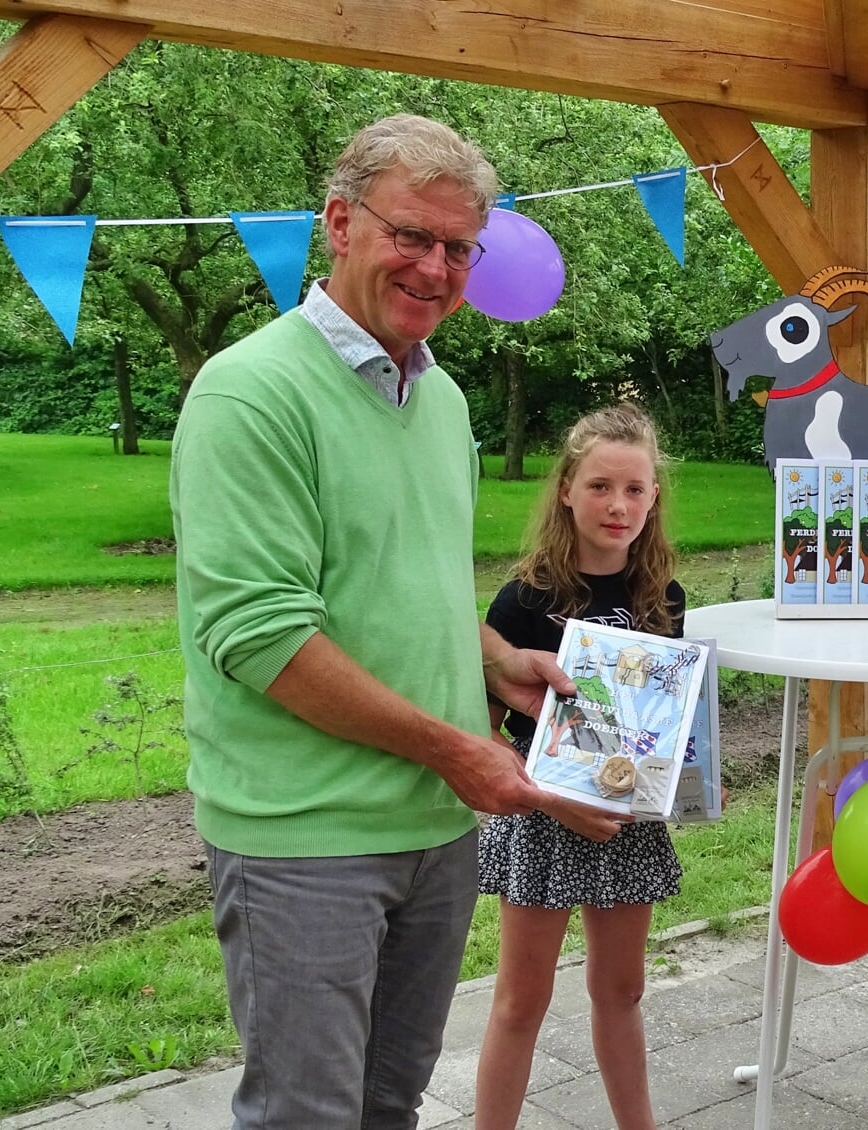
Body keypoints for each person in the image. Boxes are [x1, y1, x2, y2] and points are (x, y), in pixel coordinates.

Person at [170, 114, 570, 1128]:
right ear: (340, 222)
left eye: (458, 247)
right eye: (411, 235)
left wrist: (492, 659)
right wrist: (457, 749)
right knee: (307, 1112)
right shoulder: (251, 392)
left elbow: (405, 579)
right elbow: (263, 636)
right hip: (305, 835)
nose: (435, 268)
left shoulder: (441, 398)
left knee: (387, 1103)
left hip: (433, 826)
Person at [472, 404, 689, 1130]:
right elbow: (485, 731)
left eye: (634, 489)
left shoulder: (664, 598)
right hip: (539, 821)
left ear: (655, 496)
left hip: (627, 824)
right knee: (519, 1000)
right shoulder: (524, 600)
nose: (618, 505)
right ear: (566, 488)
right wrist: (543, 796)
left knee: (622, 991)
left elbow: (665, 724)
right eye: (600, 486)